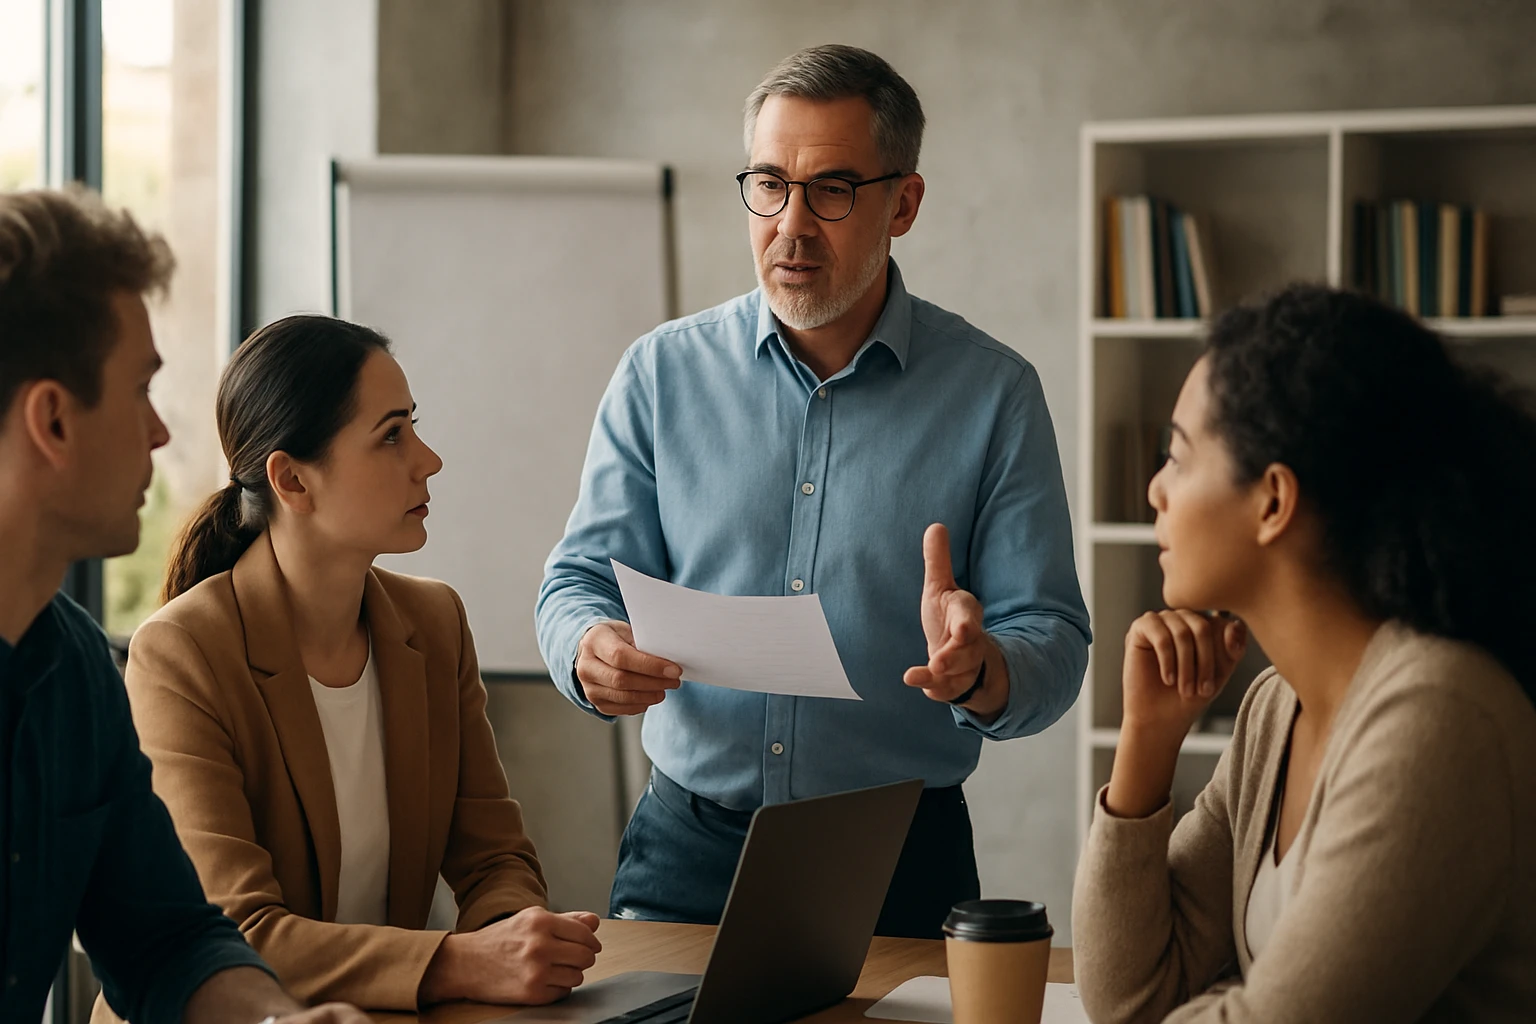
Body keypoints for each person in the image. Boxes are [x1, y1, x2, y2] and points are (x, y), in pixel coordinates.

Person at [536, 44, 1090, 940]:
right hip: (685, 849)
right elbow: (575, 584)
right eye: (768, 184)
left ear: (902, 203)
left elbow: (1055, 637)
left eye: (831, 189)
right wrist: (587, 648)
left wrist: (983, 670)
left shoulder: (995, 395)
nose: (790, 225)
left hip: (898, 861)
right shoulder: (660, 374)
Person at [92, 314, 603, 1019]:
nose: (428, 459)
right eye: (391, 435)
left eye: (413, 426)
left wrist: (510, 944)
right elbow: (235, 935)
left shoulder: (435, 624)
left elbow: (495, 862)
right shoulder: (181, 654)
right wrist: (459, 962)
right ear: (293, 481)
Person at [1072, 284, 1536, 1022]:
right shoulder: (1274, 708)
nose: (1155, 489)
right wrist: (1148, 739)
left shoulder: (1439, 717)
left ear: (1273, 502)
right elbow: (1129, 993)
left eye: (1178, 458)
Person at [0, 186, 369, 1024]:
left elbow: (166, 941)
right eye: (140, 391)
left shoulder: (79, 673)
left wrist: (280, 1022)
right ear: (53, 421)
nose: (161, 434)